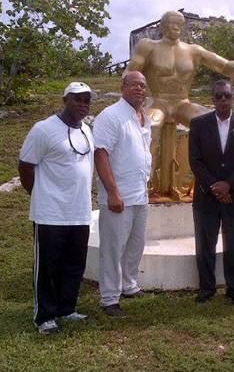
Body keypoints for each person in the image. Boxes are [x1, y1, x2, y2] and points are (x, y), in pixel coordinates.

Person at [125, 10, 234, 199]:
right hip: (158, 100)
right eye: (172, 23)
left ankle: (207, 182)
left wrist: (232, 66)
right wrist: (130, 90)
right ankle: (144, 183)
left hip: (182, 101)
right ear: (162, 26)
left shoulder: (192, 50)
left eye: (180, 24)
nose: (176, 27)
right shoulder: (148, 46)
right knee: (151, 126)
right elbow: (130, 72)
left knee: (211, 123)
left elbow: (221, 64)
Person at [18, 82, 96, 334]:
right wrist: (40, 195)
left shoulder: (86, 130)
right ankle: (45, 317)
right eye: (77, 99)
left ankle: (66, 308)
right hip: (50, 213)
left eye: (87, 100)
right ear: (65, 100)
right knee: (48, 267)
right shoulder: (44, 129)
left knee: (74, 264)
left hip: (79, 212)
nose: (83, 105)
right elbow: (25, 166)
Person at [188, 80, 234, 306]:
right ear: (212, 99)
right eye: (218, 96)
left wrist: (229, 185)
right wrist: (214, 186)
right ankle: (206, 288)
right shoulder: (198, 124)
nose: (223, 100)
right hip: (206, 197)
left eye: (227, 96)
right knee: (205, 245)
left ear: (233, 98)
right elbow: (195, 161)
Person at [93, 71, 152, 318]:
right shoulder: (111, 116)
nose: (139, 89)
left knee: (135, 245)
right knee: (113, 248)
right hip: (118, 197)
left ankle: (129, 285)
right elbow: (101, 153)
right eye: (134, 85)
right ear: (123, 87)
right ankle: (109, 299)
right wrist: (113, 192)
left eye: (143, 85)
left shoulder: (143, 118)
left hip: (140, 194)